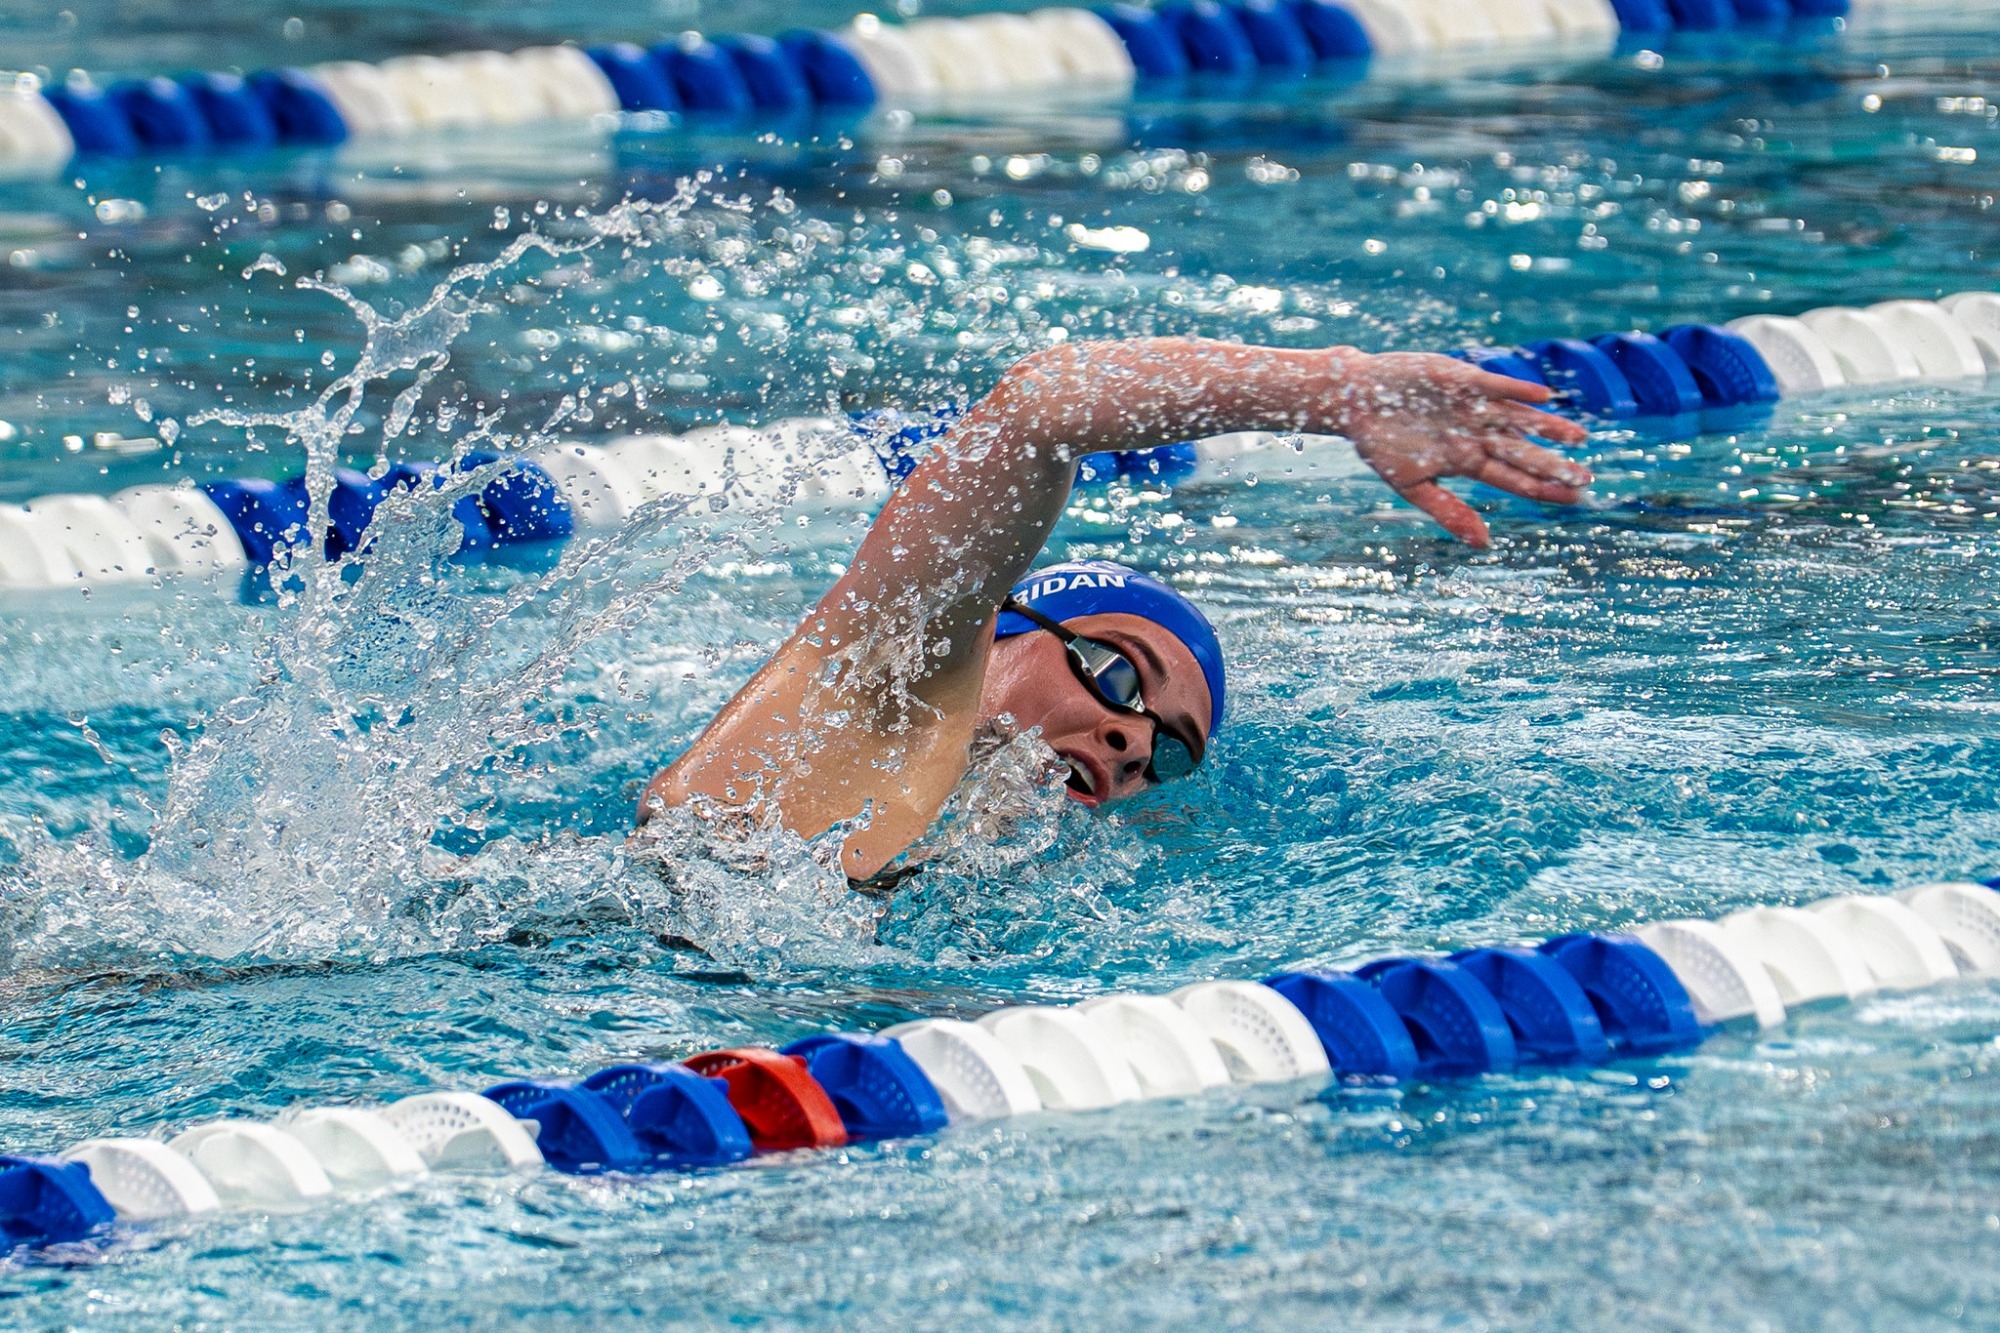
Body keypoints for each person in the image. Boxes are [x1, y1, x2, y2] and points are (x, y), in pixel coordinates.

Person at [639, 336, 1590, 887]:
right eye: (1124, 674)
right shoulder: (885, 697)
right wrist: (1329, 390)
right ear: (1004, 629)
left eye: (1170, 748)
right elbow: (1039, 409)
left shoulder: (970, 873)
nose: (1136, 741)